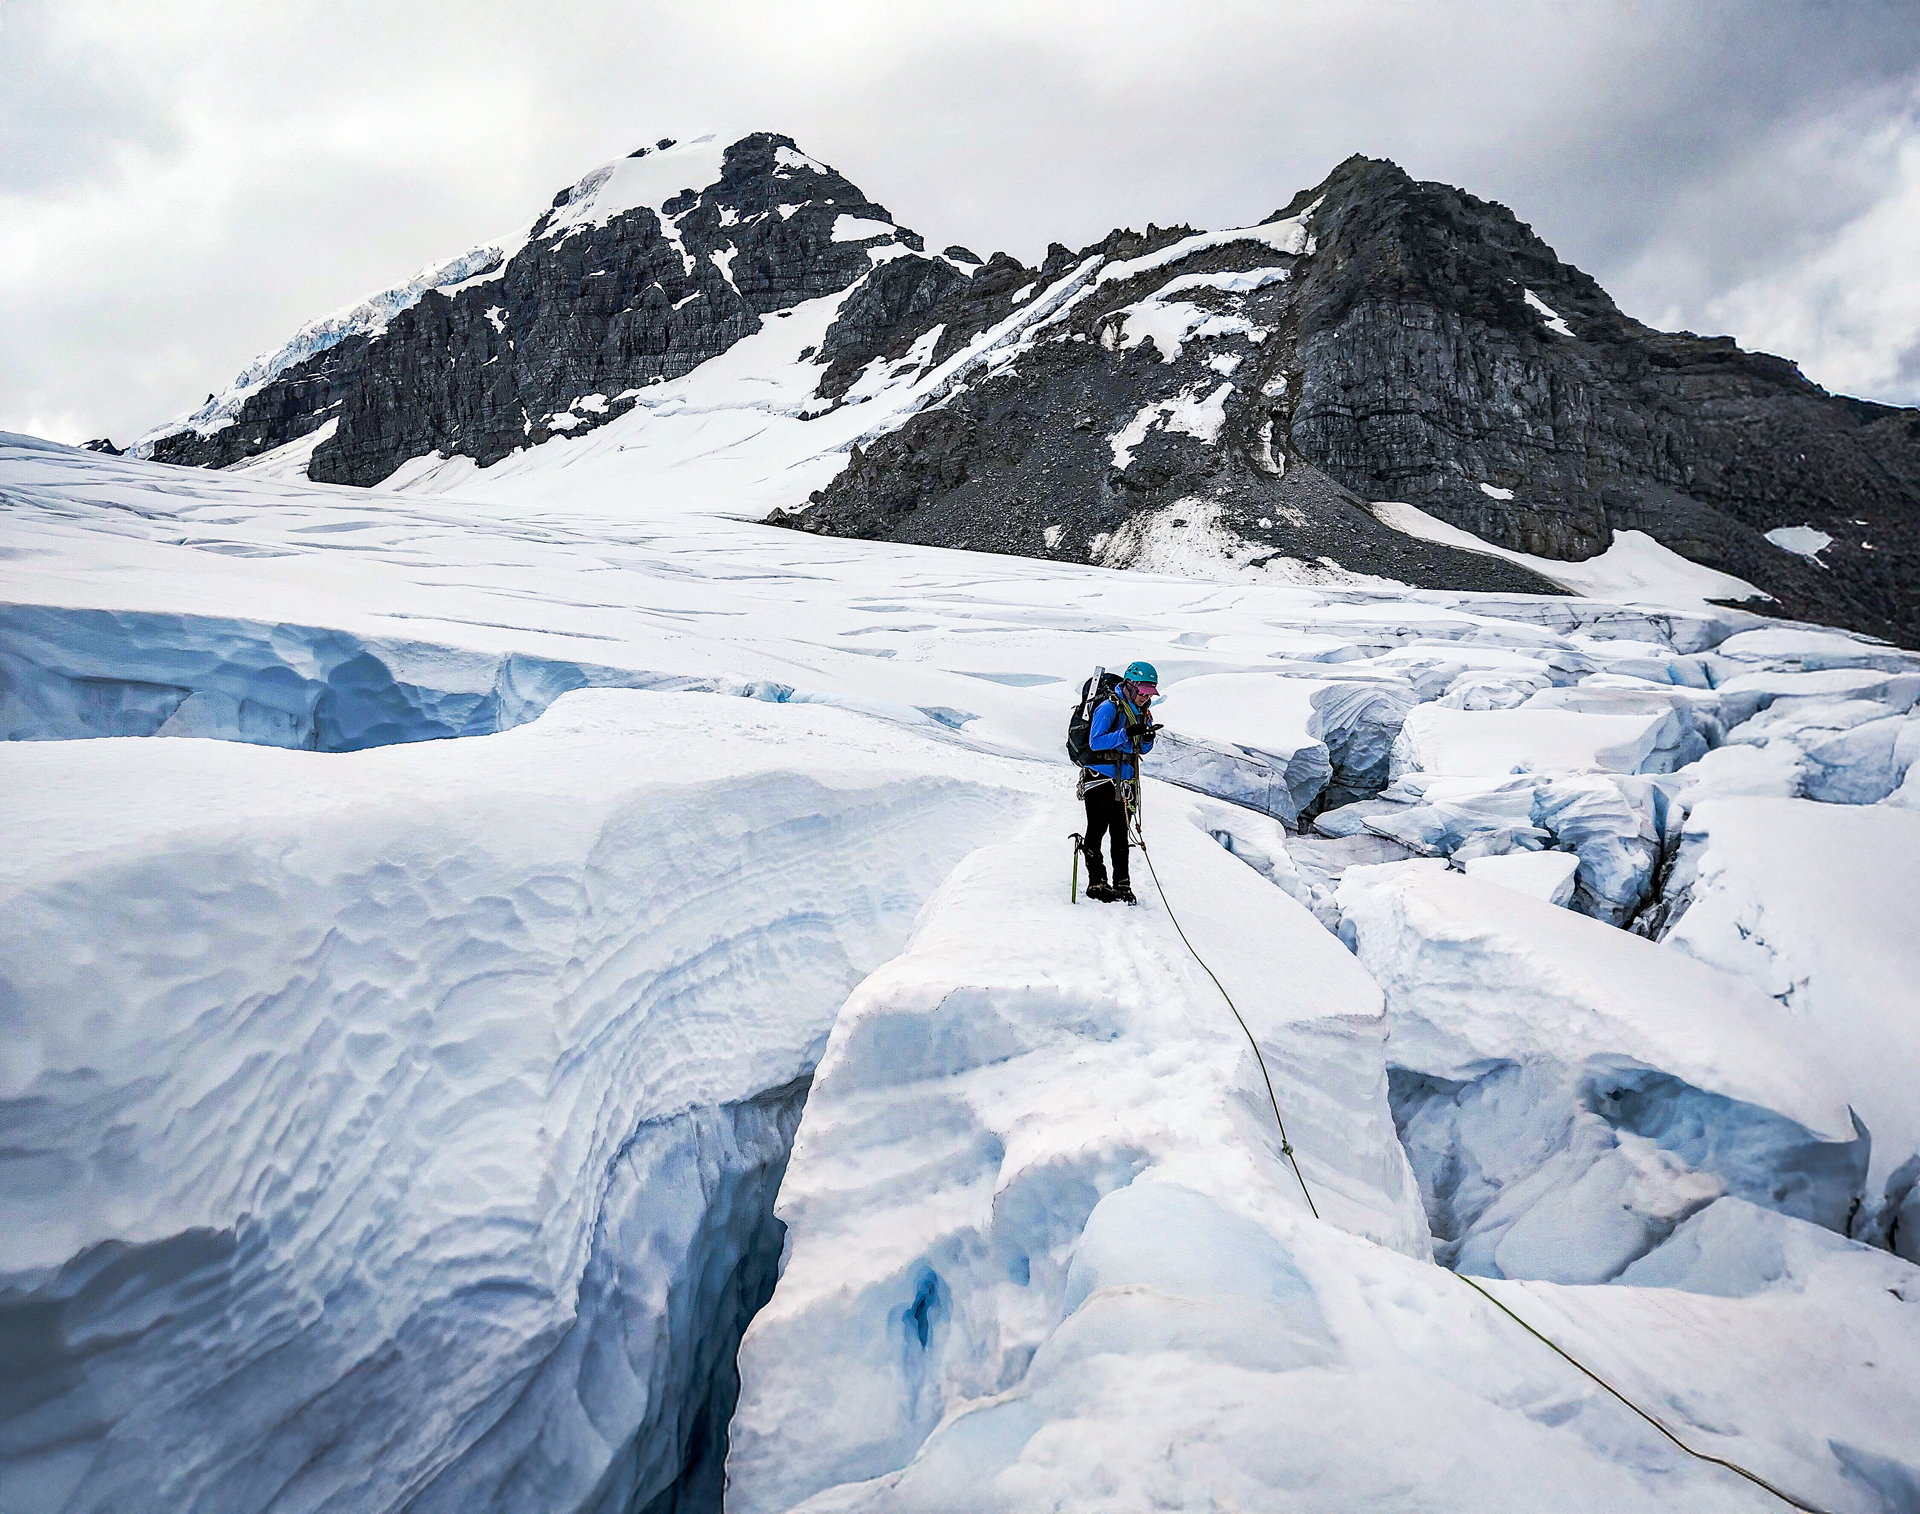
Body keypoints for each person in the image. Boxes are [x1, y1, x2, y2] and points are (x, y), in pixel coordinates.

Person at [1080, 660, 1159, 903]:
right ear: (1131, 685)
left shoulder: (1142, 711)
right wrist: (1127, 733)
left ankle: (1122, 885)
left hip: (1125, 779)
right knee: (1097, 830)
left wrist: (1146, 737)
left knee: (1120, 833)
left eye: (1150, 693)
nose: (1146, 698)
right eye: (1143, 692)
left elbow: (1141, 750)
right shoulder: (1108, 707)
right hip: (1100, 776)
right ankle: (1097, 882)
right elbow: (1096, 742)